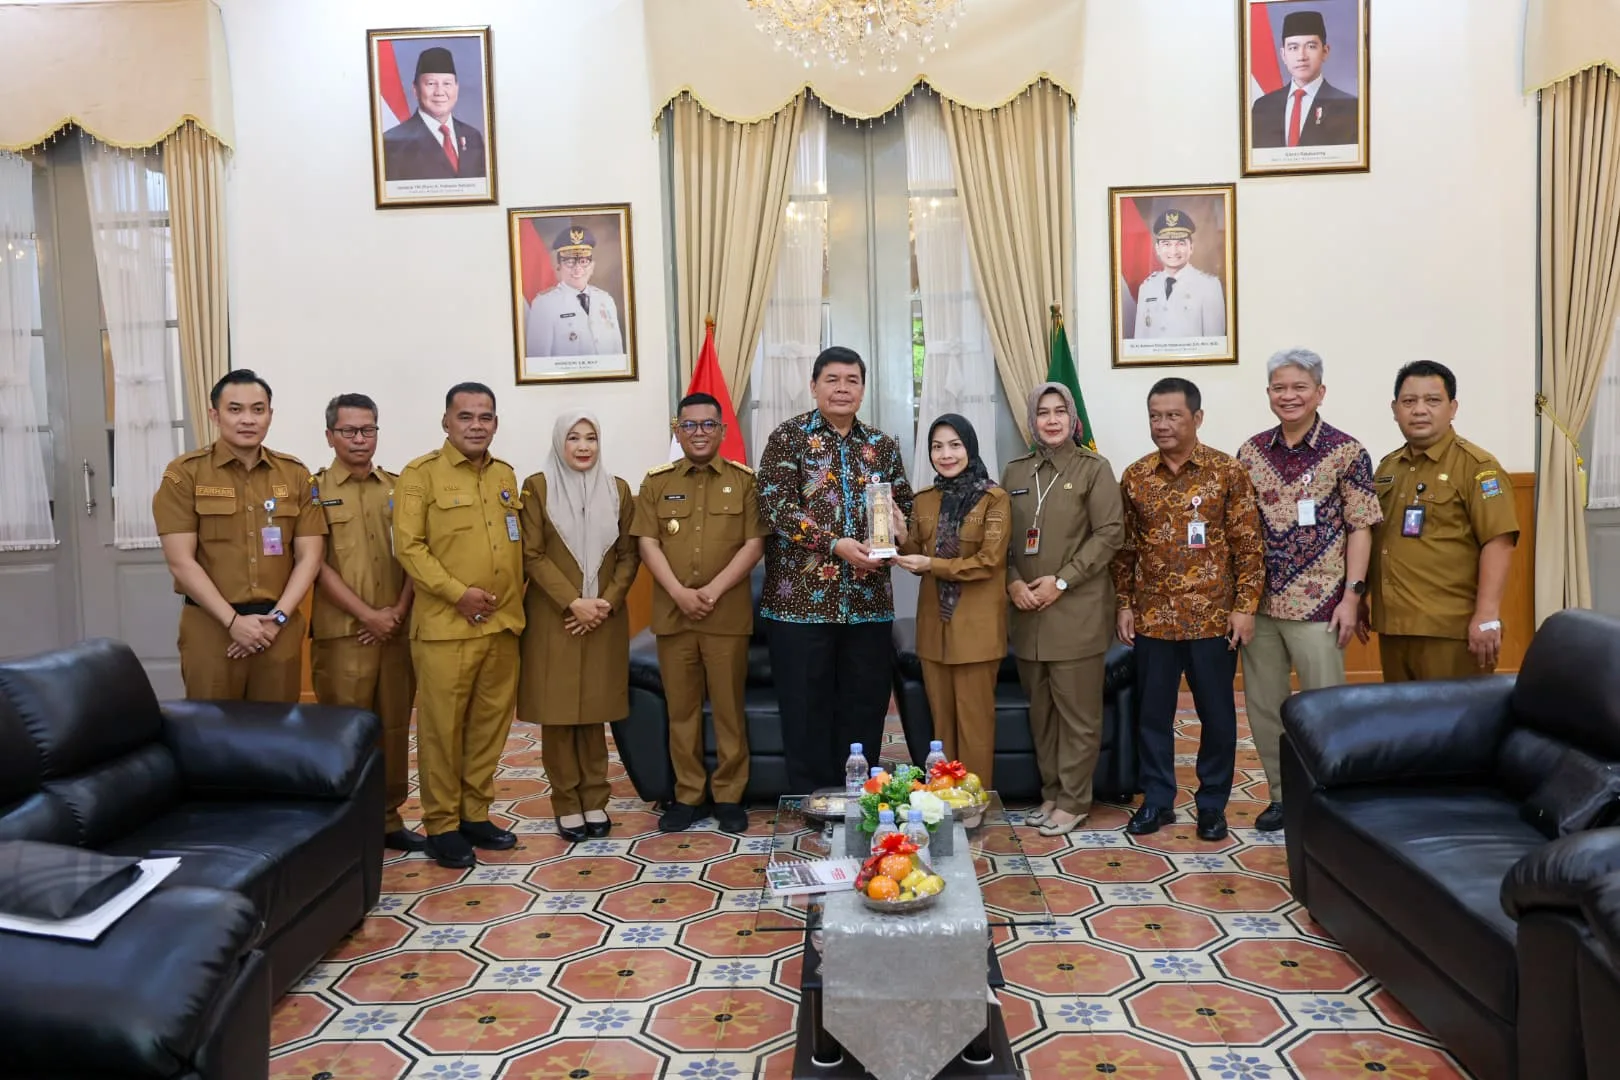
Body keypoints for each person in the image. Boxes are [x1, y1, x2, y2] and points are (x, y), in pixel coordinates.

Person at [1235, 350, 1382, 833]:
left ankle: (1329, 796)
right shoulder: (1251, 452)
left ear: (1320, 392)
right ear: (1269, 394)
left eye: (1299, 387)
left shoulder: (1347, 451)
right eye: (1279, 387)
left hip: (1321, 605)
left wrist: (1352, 597)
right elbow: (1238, 530)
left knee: (1325, 709)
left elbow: (1361, 527)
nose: (1289, 396)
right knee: (1265, 708)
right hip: (1261, 604)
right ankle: (1282, 797)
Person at [757, 345, 914, 794]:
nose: (842, 388)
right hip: (799, 608)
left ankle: (857, 800)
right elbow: (775, 508)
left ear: (863, 389)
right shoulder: (787, 438)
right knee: (805, 710)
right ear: (814, 386)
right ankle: (811, 801)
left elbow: (902, 505)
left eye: (852, 380)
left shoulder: (881, 445)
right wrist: (835, 545)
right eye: (833, 379)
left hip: (868, 606)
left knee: (864, 708)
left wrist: (900, 530)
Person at [1113, 377, 1264, 842]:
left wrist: (1245, 607)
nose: (1162, 425)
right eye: (1155, 415)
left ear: (1197, 418)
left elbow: (1248, 545)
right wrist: (1124, 604)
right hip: (1154, 617)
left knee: (1217, 715)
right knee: (1151, 715)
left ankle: (1212, 804)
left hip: (1213, 618)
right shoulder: (1136, 476)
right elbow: (1126, 550)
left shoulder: (1227, 472)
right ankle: (1158, 800)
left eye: (1173, 415)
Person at [394, 383, 524, 869]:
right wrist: (457, 594)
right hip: (447, 628)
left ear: (495, 422)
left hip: (502, 626)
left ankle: (475, 814)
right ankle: (442, 824)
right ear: (446, 422)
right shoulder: (420, 475)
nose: (476, 425)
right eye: (465, 416)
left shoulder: (506, 476)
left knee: (488, 728)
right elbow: (409, 548)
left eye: (485, 417)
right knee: (442, 732)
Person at [633, 394, 767, 833]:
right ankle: (688, 794)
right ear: (678, 431)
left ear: (723, 431)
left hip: (725, 616)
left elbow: (754, 544)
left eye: (708, 425)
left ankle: (729, 794)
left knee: (729, 709)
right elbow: (647, 542)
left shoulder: (745, 481)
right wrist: (678, 592)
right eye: (689, 426)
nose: (699, 433)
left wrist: (710, 590)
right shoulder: (656, 482)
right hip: (674, 618)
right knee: (682, 710)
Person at [154, 369, 326, 702]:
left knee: (275, 734)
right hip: (211, 627)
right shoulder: (184, 474)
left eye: (257, 410)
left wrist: (276, 620)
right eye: (235, 409)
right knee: (211, 736)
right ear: (214, 415)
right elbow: (181, 563)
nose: (248, 419)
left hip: (278, 627)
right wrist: (233, 622)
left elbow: (311, 557)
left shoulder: (295, 475)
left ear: (270, 415)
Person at [1002, 386, 1124, 836]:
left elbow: (1109, 534)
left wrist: (1062, 580)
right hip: (1028, 612)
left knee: (1077, 714)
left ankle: (1074, 800)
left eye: (1060, 412)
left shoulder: (1094, 469)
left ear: (1073, 419)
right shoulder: (1015, 470)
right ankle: (1052, 793)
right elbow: (1001, 540)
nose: (1051, 420)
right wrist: (1012, 580)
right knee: (1042, 713)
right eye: (1042, 412)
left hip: (1076, 611)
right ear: (1032, 420)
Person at [516, 412, 640, 843]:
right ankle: (567, 802)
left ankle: (595, 798)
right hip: (556, 617)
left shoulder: (618, 489)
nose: (584, 446)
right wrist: (573, 601)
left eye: (591, 437)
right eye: (574, 437)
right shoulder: (537, 487)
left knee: (594, 713)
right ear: (558, 442)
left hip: (604, 615)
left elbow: (629, 554)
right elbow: (531, 554)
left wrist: (605, 602)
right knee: (560, 713)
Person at [310, 394, 422, 852]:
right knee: (347, 731)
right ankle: (349, 822)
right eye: (350, 431)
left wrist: (395, 611)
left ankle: (389, 818)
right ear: (330, 436)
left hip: (396, 630)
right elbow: (313, 564)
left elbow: (416, 555)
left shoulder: (399, 488)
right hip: (344, 634)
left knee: (394, 728)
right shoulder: (311, 491)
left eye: (368, 430)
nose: (360, 439)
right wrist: (368, 615)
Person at [1365, 360, 1519, 681]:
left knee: (1457, 726)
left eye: (1432, 401)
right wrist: (1359, 595)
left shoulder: (1477, 466)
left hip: (1453, 630)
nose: (1419, 410)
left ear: (1453, 408)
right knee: (1404, 723)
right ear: (1395, 409)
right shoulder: (1387, 468)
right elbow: (1374, 539)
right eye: (1409, 401)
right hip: (1394, 626)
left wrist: (1487, 615)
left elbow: (1499, 541)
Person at [895, 414, 1011, 791]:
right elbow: (916, 557)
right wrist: (899, 535)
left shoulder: (994, 499)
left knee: (974, 727)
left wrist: (932, 563)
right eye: (937, 446)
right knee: (940, 730)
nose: (945, 455)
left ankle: (974, 805)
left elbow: (989, 562)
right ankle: (944, 804)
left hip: (975, 631)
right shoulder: (925, 501)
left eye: (954, 445)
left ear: (970, 447)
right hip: (934, 631)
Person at [1250, 10, 1359, 149]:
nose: (1301, 56)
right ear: (1283, 55)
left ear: (1325, 52)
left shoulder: (1350, 107)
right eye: (1293, 47)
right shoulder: (1262, 107)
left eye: (1311, 46)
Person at [381, 45, 488, 181]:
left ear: (457, 88)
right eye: (431, 84)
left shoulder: (473, 137)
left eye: (447, 84)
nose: (439, 92)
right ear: (415, 90)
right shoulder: (392, 143)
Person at [524, 227, 625, 358]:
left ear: (592, 266)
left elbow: (618, 356)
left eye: (583, 261)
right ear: (559, 266)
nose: (578, 269)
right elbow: (538, 362)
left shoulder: (606, 300)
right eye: (570, 262)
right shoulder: (544, 305)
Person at [1133, 210, 1226, 339]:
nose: (1173, 250)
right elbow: (1140, 341)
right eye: (1166, 244)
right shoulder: (1147, 287)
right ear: (1157, 249)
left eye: (1180, 243)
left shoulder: (1209, 287)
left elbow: (1215, 344)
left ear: (1191, 247)